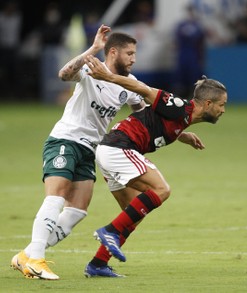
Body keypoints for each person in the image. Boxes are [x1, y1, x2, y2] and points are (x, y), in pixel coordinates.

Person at [10, 25, 147, 280]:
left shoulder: (129, 84)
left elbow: (144, 114)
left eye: (134, 54)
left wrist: (180, 132)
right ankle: (36, 260)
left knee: (77, 211)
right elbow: (64, 74)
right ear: (113, 52)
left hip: (89, 148)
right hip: (66, 139)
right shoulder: (92, 67)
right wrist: (93, 49)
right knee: (57, 195)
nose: (133, 59)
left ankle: (25, 255)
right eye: (129, 53)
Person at [82, 55, 227, 278]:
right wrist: (108, 77)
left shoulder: (182, 119)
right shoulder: (178, 105)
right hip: (119, 148)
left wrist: (182, 136)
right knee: (162, 190)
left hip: (109, 151)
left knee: (134, 214)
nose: (223, 110)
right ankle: (108, 231)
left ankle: (98, 264)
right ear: (208, 104)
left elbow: (157, 121)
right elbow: (142, 88)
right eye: (221, 105)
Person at [173, 4, 206, 98]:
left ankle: (194, 97)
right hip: (183, 54)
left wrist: (201, 57)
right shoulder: (181, 25)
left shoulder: (198, 26)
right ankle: (178, 98)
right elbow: (176, 41)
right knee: (180, 77)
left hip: (193, 54)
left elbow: (201, 43)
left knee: (194, 76)